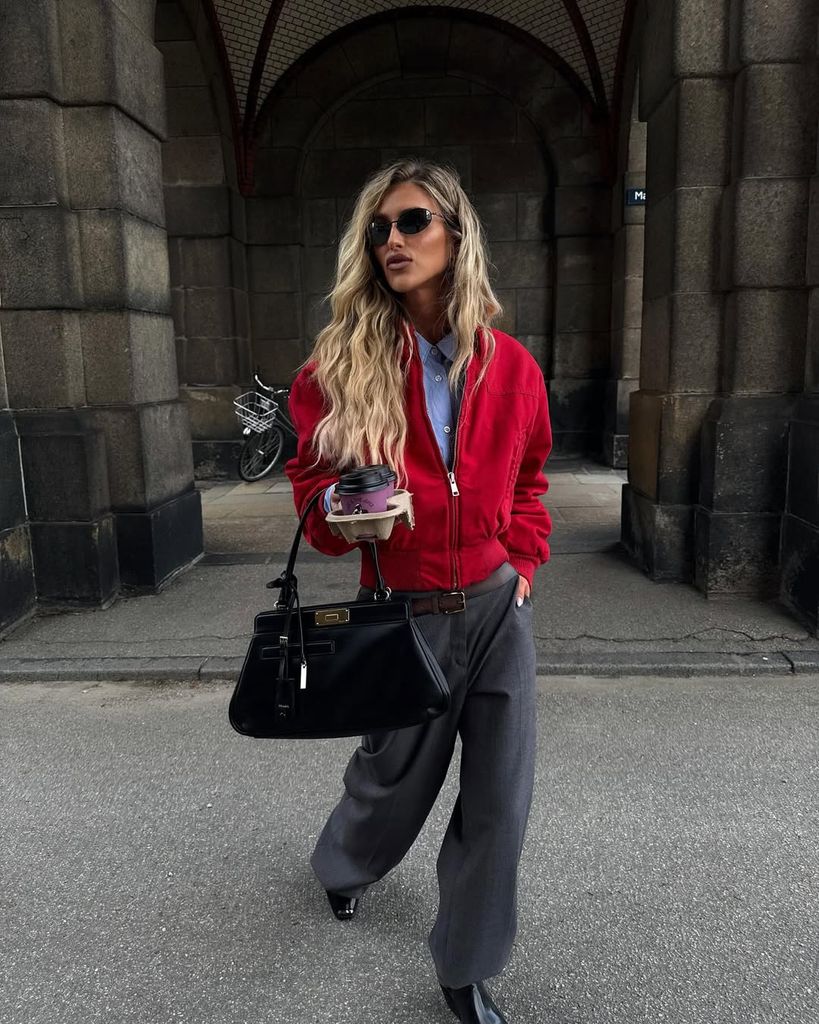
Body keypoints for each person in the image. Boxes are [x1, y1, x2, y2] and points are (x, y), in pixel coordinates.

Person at [283, 158, 552, 1024]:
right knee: (393, 775)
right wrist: (344, 509)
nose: (391, 241)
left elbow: (531, 482)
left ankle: (464, 968)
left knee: (499, 801)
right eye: (378, 229)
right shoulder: (337, 368)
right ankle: (343, 864)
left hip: (494, 606)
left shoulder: (510, 366)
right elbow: (311, 505)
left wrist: (524, 564)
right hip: (402, 611)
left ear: (455, 235)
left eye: (411, 223)